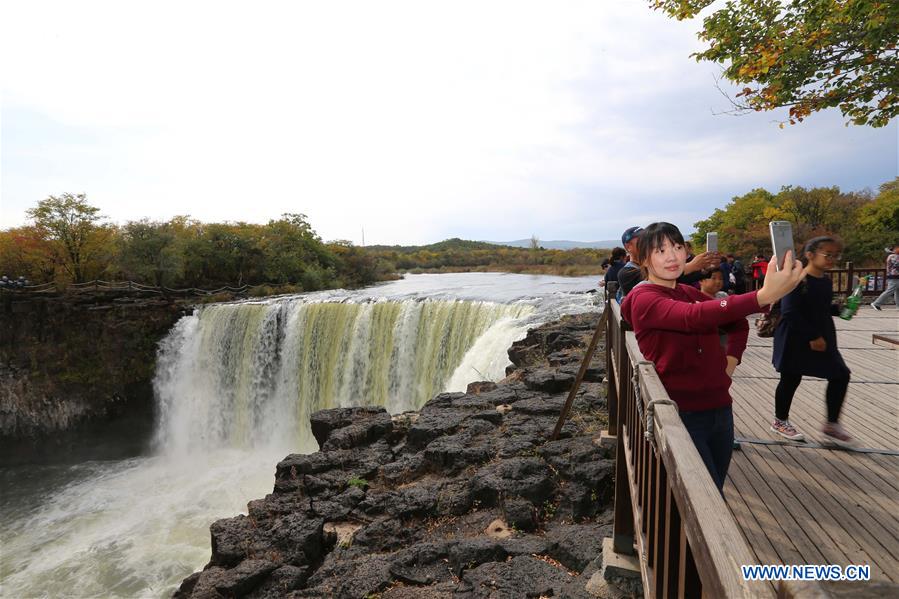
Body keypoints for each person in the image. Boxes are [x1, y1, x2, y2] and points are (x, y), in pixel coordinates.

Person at [620, 222, 804, 491]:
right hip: (681, 414)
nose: (671, 256)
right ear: (644, 259)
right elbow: (693, 317)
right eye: (660, 250)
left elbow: (736, 322)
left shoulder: (686, 292)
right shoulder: (644, 298)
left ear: (687, 253)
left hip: (721, 410)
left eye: (677, 247)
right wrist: (763, 295)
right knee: (703, 497)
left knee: (713, 489)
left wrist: (729, 365)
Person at [771, 236, 854, 447]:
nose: (832, 259)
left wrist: (841, 309)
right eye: (828, 254)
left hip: (822, 335)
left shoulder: (824, 280)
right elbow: (790, 311)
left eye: (836, 255)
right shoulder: (798, 279)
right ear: (809, 255)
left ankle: (831, 425)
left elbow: (822, 306)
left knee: (840, 374)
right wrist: (812, 336)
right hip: (795, 337)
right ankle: (780, 421)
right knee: (791, 378)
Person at [617, 225, 719, 299]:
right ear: (628, 247)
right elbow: (658, 279)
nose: (647, 242)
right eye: (641, 240)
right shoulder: (626, 273)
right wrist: (692, 265)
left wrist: (705, 268)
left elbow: (680, 278)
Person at [871, 243, 899, 310]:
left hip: (895, 276)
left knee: (897, 291)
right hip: (893, 276)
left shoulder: (893, 256)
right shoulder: (893, 256)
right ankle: (876, 303)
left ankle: (898, 306)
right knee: (890, 291)